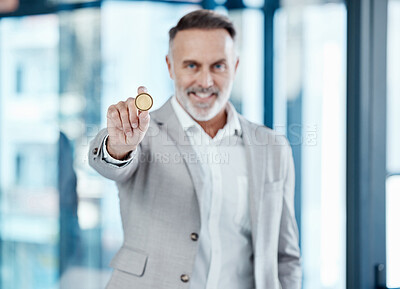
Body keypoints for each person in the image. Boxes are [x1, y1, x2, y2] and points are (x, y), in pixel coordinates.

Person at [89, 9, 301, 289]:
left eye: (218, 66)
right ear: (170, 66)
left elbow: (285, 257)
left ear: (234, 67)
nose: (205, 81)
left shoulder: (273, 148)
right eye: (191, 66)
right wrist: (117, 147)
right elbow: (111, 162)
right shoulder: (143, 135)